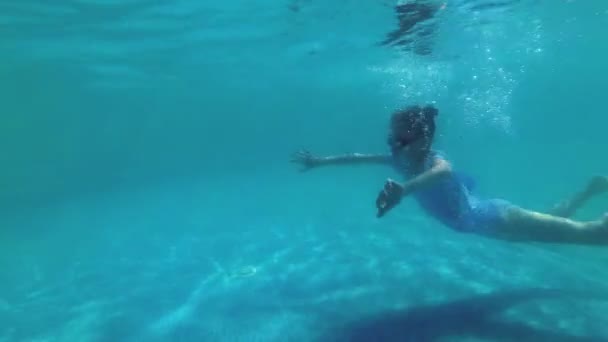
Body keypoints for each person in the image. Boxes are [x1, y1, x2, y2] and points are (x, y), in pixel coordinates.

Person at [291, 105, 608, 245]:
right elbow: (357, 159)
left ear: (425, 141)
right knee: (549, 226)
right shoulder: (397, 160)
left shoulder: (434, 160)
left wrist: (405, 189)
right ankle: (590, 191)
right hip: (480, 225)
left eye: (399, 140)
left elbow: (445, 172)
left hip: (493, 216)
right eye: (391, 139)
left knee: (587, 233)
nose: (392, 146)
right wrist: (321, 162)